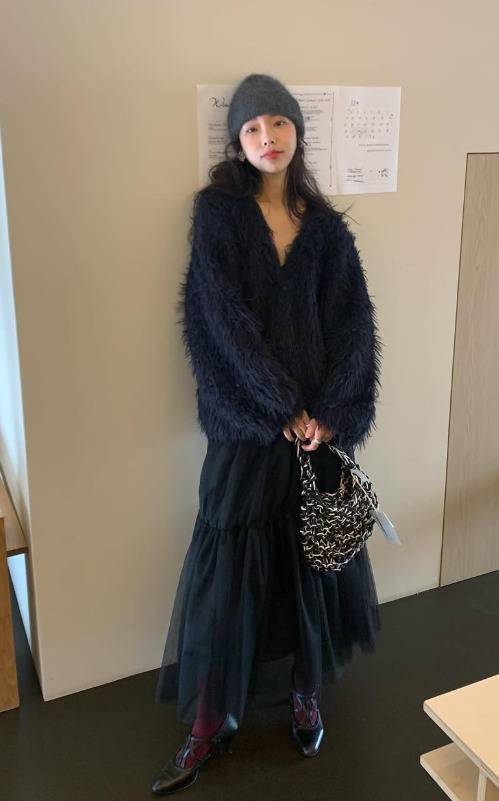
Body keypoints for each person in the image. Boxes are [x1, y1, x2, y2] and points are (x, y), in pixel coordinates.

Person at [151, 72, 383, 795]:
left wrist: (330, 412)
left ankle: (305, 693)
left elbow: (355, 326)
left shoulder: (326, 229)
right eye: (253, 127)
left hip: (316, 433)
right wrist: (278, 405)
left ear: (296, 132)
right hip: (248, 429)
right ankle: (208, 720)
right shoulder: (218, 215)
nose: (267, 137)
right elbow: (217, 320)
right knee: (227, 568)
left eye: (278, 123)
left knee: (313, 560)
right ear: (237, 141)